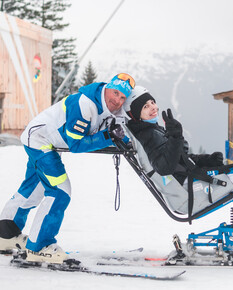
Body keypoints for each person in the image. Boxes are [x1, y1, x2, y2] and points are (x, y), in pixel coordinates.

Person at [0, 73, 135, 264]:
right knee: (60, 190)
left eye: (122, 97)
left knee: (35, 188)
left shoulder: (110, 108)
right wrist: (107, 136)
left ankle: (6, 232)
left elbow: (117, 130)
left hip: (46, 141)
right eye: (115, 93)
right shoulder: (84, 104)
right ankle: (39, 247)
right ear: (107, 89)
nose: (117, 100)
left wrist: (125, 140)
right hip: (40, 141)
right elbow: (76, 145)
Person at [125, 86, 233, 240]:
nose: (152, 107)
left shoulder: (152, 130)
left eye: (152, 102)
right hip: (188, 189)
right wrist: (175, 137)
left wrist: (207, 160)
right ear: (135, 114)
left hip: (188, 181)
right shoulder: (148, 136)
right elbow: (165, 167)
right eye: (145, 106)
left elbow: (181, 160)